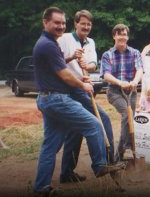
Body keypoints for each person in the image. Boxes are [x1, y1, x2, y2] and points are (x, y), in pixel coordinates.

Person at [33, 7, 122, 194]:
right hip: (58, 98)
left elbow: (57, 69)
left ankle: (41, 187)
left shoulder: (49, 43)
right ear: (45, 22)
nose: (60, 26)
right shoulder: (49, 44)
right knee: (94, 124)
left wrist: (76, 65)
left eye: (62, 23)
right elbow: (64, 75)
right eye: (56, 22)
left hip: (47, 98)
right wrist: (83, 85)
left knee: (50, 145)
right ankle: (100, 166)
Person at [57, 9, 115, 184]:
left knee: (75, 131)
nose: (86, 27)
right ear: (75, 24)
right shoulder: (64, 39)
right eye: (83, 23)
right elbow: (56, 61)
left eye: (89, 24)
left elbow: (92, 64)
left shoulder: (91, 42)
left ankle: (66, 173)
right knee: (102, 118)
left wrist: (86, 66)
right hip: (69, 87)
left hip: (83, 87)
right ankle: (108, 161)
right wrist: (72, 57)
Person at [101, 24, 143, 161]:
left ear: (128, 37)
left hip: (131, 91)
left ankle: (117, 160)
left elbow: (140, 70)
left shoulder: (135, 52)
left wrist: (135, 81)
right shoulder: (107, 55)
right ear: (114, 36)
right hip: (115, 91)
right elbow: (106, 74)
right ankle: (127, 148)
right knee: (127, 114)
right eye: (119, 34)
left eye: (124, 34)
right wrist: (120, 82)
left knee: (127, 121)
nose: (122, 37)